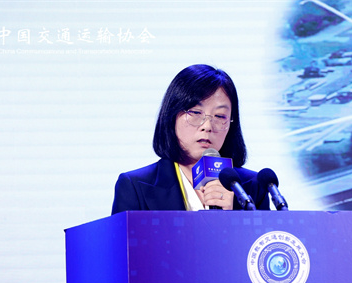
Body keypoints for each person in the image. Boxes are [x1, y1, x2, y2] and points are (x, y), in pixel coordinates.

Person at [111, 64, 269, 214]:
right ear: (172, 115)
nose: (207, 126)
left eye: (220, 116)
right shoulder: (134, 186)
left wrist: (234, 215)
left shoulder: (254, 187)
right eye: (195, 112)